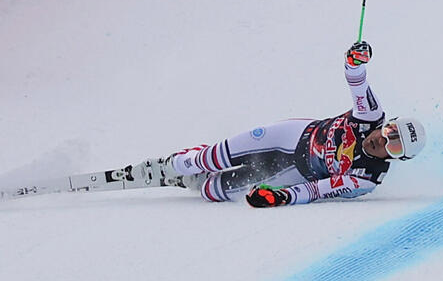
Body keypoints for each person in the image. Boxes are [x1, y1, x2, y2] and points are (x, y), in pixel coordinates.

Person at [151, 41, 426, 208]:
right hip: (292, 136)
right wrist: (354, 62)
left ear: (396, 159)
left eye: (393, 146)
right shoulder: (369, 116)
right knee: (207, 158)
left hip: (295, 171)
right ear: (386, 123)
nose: (382, 141)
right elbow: (357, 81)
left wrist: (280, 197)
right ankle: (179, 164)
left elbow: (317, 190)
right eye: (390, 131)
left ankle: (193, 180)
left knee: (212, 192)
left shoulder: (365, 177)